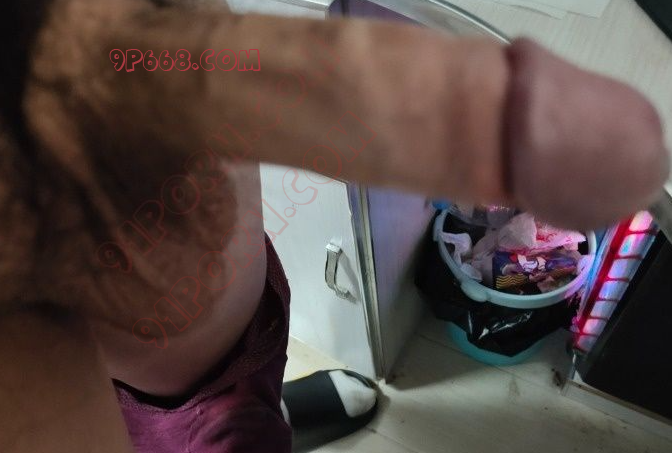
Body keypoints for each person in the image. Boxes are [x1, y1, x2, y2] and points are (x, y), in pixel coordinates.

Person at [0, 0, 669, 452]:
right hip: (159, 395)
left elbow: (199, 69)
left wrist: (482, 121)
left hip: (227, 307)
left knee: (249, 364)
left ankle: (263, 402)